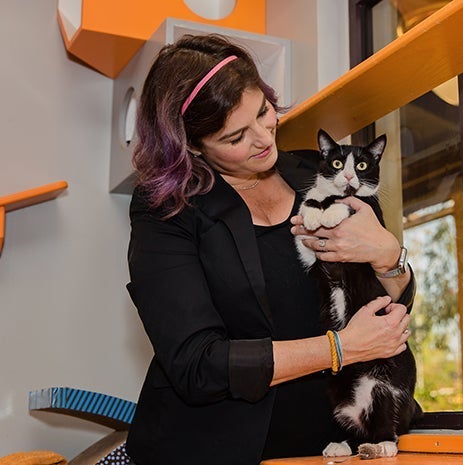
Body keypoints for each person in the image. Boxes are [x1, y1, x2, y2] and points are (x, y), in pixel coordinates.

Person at [124, 34, 415, 465]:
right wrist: (339, 349)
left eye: (263, 111)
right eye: (236, 135)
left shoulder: (319, 178)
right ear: (192, 144)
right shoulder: (167, 211)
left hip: (319, 449)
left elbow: (384, 312)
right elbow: (196, 363)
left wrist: (391, 257)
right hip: (207, 449)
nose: (263, 137)